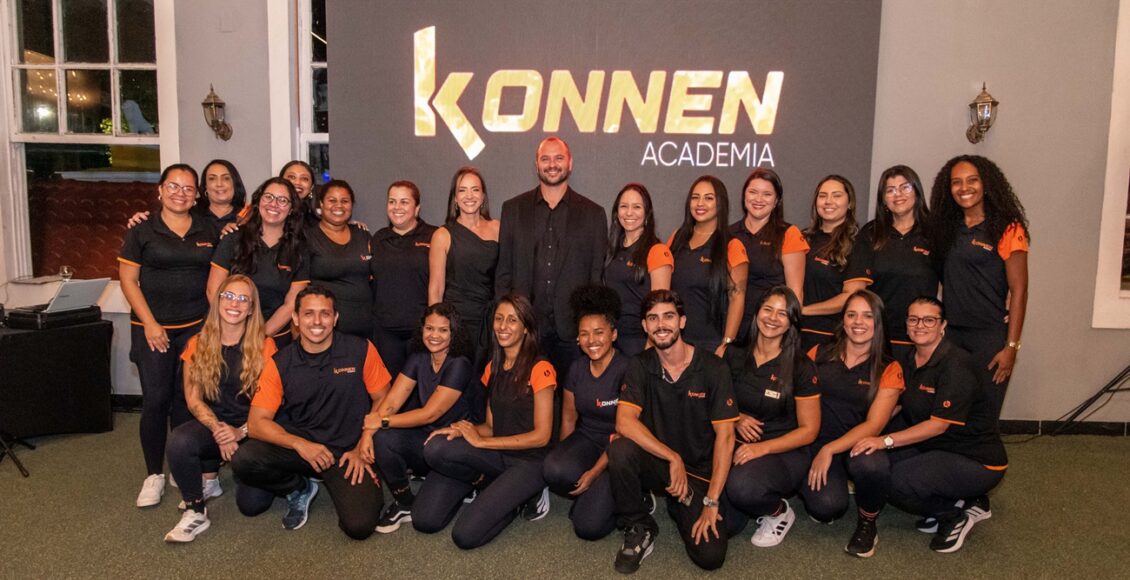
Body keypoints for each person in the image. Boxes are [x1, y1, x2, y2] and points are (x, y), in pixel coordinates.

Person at [230, 285, 391, 539]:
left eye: (325, 314)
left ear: (335, 318)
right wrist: (300, 444)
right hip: (303, 447)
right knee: (245, 471)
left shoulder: (360, 349)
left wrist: (362, 444)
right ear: (295, 318)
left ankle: (332, 477)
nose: (317, 321)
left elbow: (384, 399)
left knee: (359, 526)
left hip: (346, 451)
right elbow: (257, 423)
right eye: (308, 313)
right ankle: (299, 486)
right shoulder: (280, 362)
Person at [851, 297, 1007, 554]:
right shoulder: (909, 358)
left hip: (976, 459)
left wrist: (884, 440)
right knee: (875, 466)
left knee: (894, 482)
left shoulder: (957, 364)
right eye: (913, 319)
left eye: (929, 320)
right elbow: (899, 403)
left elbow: (937, 426)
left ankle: (952, 516)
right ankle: (960, 498)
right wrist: (867, 428)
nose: (919, 325)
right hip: (936, 448)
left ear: (942, 325)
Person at [609, 289, 739, 573]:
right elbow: (624, 422)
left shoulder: (713, 368)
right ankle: (639, 524)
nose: (661, 325)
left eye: (668, 316)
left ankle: (679, 504)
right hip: (661, 463)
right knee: (620, 449)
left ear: (682, 321)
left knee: (710, 557)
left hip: (699, 473)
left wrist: (711, 501)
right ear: (645, 326)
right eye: (652, 318)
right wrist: (672, 457)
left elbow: (727, 438)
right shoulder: (640, 365)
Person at [412, 294, 557, 549]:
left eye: (512, 320)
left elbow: (542, 436)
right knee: (425, 514)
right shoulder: (493, 366)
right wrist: (458, 430)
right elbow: (490, 426)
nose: (503, 326)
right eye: (499, 319)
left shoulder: (540, 368)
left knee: (465, 536)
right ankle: (482, 482)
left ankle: (516, 501)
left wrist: (481, 442)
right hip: (497, 455)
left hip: (529, 461)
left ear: (526, 328)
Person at [119, 163, 219, 508]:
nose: (181, 193)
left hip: (195, 327)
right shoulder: (142, 229)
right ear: (160, 190)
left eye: (188, 188)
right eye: (173, 186)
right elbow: (128, 280)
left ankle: (180, 463)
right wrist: (150, 323)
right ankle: (153, 474)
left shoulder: (209, 228)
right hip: (152, 330)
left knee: (185, 397)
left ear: (196, 196)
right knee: (156, 399)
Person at [164, 275, 277, 542]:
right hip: (216, 425)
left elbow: (272, 405)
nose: (234, 304)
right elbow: (193, 400)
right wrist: (219, 431)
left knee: (251, 505)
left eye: (243, 299)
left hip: (254, 428)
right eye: (228, 296)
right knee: (179, 441)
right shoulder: (197, 343)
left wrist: (240, 432)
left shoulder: (265, 346)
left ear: (251, 308)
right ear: (218, 301)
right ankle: (195, 509)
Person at [798, 289, 904, 558]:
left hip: (857, 445)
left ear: (878, 322)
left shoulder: (889, 368)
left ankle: (868, 522)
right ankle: (835, 483)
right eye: (851, 314)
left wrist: (830, 449)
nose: (858, 322)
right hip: (815, 441)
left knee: (872, 465)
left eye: (867, 316)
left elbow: (874, 425)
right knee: (827, 507)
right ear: (843, 320)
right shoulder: (818, 353)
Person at [927, 155, 1029, 419]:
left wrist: (1011, 347)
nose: (964, 188)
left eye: (972, 180)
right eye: (956, 182)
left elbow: (1019, 291)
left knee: (984, 415)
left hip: (989, 337)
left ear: (986, 184)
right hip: (952, 336)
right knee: (950, 413)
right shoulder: (946, 229)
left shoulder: (1008, 228)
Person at [362, 302, 477, 534]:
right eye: (429, 328)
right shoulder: (418, 358)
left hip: (454, 446)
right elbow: (392, 403)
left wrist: (382, 421)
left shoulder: (459, 364)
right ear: (422, 329)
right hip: (428, 441)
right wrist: (368, 433)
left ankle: (466, 482)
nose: (434, 335)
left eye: (443, 330)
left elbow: (430, 413)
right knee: (382, 438)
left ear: (453, 333)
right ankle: (405, 503)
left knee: (426, 521)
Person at [495, 136, 607, 374]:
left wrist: (589, 328)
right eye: (545, 159)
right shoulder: (513, 209)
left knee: (571, 397)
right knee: (524, 396)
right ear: (536, 164)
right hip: (525, 330)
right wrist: (508, 321)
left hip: (573, 334)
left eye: (559, 158)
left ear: (570, 163)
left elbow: (596, 278)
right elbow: (504, 272)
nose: (552, 164)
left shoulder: (593, 214)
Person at [723, 286, 820, 549]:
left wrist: (761, 448)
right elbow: (714, 402)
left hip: (784, 450)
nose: (773, 318)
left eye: (782, 313)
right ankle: (748, 503)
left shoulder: (801, 366)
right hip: (736, 444)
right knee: (725, 526)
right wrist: (736, 417)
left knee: (743, 488)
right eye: (768, 309)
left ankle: (779, 512)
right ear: (756, 312)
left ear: (791, 322)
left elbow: (810, 430)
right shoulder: (732, 353)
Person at [543, 285, 628, 540]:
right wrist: (563, 455)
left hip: (619, 448)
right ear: (578, 339)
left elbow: (626, 432)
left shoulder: (628, 369)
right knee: (553, 469)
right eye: (584, 334)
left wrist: (593, 473)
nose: (592, 340)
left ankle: (632, 497)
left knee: (588, 527)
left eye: (599, 332)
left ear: (613, 334)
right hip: (588, 439)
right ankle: (599, 493)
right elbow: (569, 418)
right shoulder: (576, 368)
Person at [843, 165, 938, 360]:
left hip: (921, 337)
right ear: (883, 199)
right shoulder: (871, 233)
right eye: (890, 190)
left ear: (917, 192)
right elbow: (855, 290)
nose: (898, 195)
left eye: (905, 188)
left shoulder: (935, 233)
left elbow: (955, 282)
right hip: (877, 336)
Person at [207, 178, 308, 348]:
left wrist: (259, 337)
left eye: (283, 200)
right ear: (258, 201)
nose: (274, 204)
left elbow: (291, 303)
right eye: (268, 197)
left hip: (272, 338)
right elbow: (213, 291)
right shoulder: (233, 238)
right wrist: (235, 333)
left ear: (291, 209)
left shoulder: (299, 249)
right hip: (228, 335)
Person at [428, 167, 499, 370]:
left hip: (490, 322)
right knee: (457, 378)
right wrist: (437, 330)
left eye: (475, 190)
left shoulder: (498, 228)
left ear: (483, 196)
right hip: (457, 322)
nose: (469, 196)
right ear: (455, 198)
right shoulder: (442, 235)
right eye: (462, 190)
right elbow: (436, 289)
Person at [668, 176, 748, 356]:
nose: (700, 203)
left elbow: (737, 298)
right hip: (674, 342)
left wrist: (726, 343)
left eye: (709, 198)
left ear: (720, 204)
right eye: (695, 197)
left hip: (711, 344)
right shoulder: (677, 237)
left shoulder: (732, 245)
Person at [730, 168, 808, 343]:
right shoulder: (728, 234)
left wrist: (787, 335)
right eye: (753, 192)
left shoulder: (788, 234)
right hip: (731, 326)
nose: (758, 199)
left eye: (767, 194)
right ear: (744, 196)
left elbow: (795, 293)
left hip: (770, 329)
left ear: (776, 201)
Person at [372, 180, 438, 378]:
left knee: (423, 387)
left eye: (404, 202)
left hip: (421, 332)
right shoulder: (378, 238)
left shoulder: (434, 236)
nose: (397, 207)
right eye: (392, 201)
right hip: (386, 332)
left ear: (417, 208)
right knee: (390, 388)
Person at [603, 183, 673, 356]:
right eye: (624, 206)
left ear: (647, 213)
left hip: (640, 340)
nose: (629, 213)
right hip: (613, 339)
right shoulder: (612, 250)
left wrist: (650, 344)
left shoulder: (657, 251)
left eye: (636, 207)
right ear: (616, 212)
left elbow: (660, 306)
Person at [305, 179, 374, 339]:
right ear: (321, 204)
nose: (339, 206)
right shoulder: (307, 238)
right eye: (332, 200)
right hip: (325, 330)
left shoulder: (362, 234)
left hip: (366, 326)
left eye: (345, 201)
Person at [800, 176, 859, 350]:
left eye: (837, 195)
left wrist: (804, 310)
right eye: (823, 195)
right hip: (795, 333)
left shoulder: (858, 244)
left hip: (831, 338)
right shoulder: (803, 238)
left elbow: (851, 296)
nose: (828, 201)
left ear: (849, 203)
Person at [127, 159, 247, 229]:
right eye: (212, 179)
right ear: (204, 186)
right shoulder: (189, 213)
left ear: (235, 183)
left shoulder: (247, 217)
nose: (219, 184)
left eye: (226, 178)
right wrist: (140, 220)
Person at [280, 160, 320, 227]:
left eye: (304, 178)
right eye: (291, 177)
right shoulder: (268, 213)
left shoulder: (318, 225)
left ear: (311, 187)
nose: (297, 182)